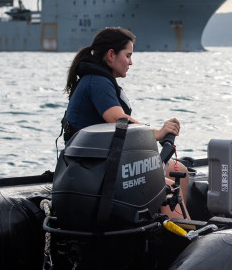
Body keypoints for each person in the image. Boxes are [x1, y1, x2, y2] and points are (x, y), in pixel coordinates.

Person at [62, 26, 189, 218]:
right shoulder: (97, 81)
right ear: (111, 55)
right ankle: (185, 239)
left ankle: (173, 227)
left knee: (180, 171)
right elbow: (117, 119)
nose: (131, 62)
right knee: (169, 187)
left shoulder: (99, 79)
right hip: (90, 171)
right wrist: (157, 133)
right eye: (128, 55)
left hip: (102, 163)